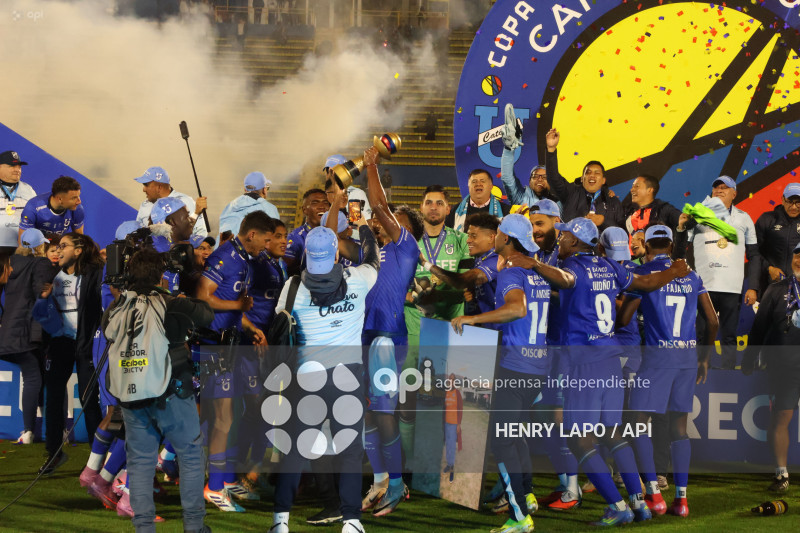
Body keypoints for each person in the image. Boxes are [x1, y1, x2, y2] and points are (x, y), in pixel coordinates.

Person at [509, 217, 690, 526]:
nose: (560, 240)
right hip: (611, 361)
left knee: (579, 441)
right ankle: (639, 503)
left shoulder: (573, 267)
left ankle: (618, 506)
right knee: (611, 432)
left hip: (585, 364)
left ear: (575, 241)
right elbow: (645, 284)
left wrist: (534, 265)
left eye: (564, 236)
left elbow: (565, 280)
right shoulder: (608, 266)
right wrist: (673, 271)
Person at [270, 218, 380, 533]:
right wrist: (364, 228)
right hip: (348, 378)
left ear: (307, 254)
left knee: (296, 451)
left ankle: (280, 522)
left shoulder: (293, 287)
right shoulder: (357, 279)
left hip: (308, 379)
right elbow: (373, 257)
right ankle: (352, 522)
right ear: (335, 254)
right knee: (349, 452)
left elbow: (281, 326)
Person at [102, 247, 214, 533]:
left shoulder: (118, 307)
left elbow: (106, 328)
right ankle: (194, 526)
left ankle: (143, 528)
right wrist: (184, 297)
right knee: (190, 455)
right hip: (172, 392)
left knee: (140, 462)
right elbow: (206, 314)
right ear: (161, 275)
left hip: (131, 395)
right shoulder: (169, 303)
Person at [451, 214, 547, 533]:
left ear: (504, 238)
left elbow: (517, 309)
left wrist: (472, 320)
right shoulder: (537, 272)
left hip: (515, 365)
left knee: (502, 441)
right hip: (537, 365)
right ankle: (526, 495)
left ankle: (519, 515)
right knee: (514, 434)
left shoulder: (511, 272)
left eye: (498, 234)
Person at [618, 225, 718, 518]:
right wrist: (704, 358)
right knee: (678, 429)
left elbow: (624, 319)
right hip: (687, 358)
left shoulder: (645, 273)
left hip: (657, 358)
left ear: (647, 246)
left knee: (637, 423)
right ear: (671, 246)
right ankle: (682, 501)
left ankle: (653, 494)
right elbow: (713, 321)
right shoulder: (691, 275)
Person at [348, 147, 419, 517]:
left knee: (384, 412)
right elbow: (336, 241)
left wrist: (371, 165)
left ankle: (395, 483)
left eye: (394, 220)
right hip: (364, 337)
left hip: (386, 340)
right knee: (366, 413)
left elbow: (378, 206)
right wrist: (337, 200)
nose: (383, 222)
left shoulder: (406, 247)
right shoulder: (372, 253)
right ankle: (379, 480)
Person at [195, 210, 272, 510]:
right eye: (265, 239)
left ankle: (224, 481)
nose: (266, 245)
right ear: (251, 234)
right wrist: (238, 306)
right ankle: (213, 487)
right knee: (221, 418)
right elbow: (203, 297)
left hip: (229, 345)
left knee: (228, 416)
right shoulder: (225, 257)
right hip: (213, 347)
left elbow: (236, 307)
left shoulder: (245, 260)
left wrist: (249, 327)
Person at [676, 176, 759, 369]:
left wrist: (753, 286)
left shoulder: (744, 218)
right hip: (704, 286)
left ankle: (728, 374)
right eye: (716, 188)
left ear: (734, 194)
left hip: (732, 287)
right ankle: (698, 371)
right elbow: (680, 248)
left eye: (724, 187)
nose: (719, 190)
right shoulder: (698, 216)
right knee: (702, 333)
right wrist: (680, 228)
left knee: (729, 335)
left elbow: (754, 254)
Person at [38, 233, 104, 475]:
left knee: (89, 401)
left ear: (78, 250)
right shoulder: (51, 276)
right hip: (60, 344)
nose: (58, 250)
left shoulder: (95, 273)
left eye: (63, 246)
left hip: (86, 344)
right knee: (53, 397)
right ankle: (54, 453)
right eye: (56, 247)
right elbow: (41, 311)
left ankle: (98, 459)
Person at [741, 242, 800, 493]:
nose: (799, 259)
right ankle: (781, 474)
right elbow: (759, 327)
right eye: (797, 254)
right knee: (781, 418)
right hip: (785, 366)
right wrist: (749, 358)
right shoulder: (777, 289)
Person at [0, 229, 57, 444]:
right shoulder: (40, 264)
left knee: (33, 376)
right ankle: (29, 431)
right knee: (34, 378)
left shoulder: (10, 264)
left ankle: (30, 430)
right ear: (39, 247)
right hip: (27, 330)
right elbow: (41, 292)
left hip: (10, 330)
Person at [543, 128, 625, 230]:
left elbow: (622, 232)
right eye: (588, 172)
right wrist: (551, 149)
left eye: (597, 173)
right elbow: (553, 178)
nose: (592, 175)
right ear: (582, 179)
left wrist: (603, 222)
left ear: (603, 180)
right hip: (571, 240)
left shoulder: (613, 202)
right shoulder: (570, 193)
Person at [423, 212, 502, 317]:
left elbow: (461, 281)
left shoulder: (496, 260)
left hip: (500, 326)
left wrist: (425, 263)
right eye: (468, 235)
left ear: (491, 238)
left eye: (473, 236)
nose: (468, 240)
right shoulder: (480, 259)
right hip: (484, 324)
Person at [133, 166, 208, 239]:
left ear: (159, 187)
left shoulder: (186, 201)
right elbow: (139, 234)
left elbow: (201, 233)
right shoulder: (145, 205)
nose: (143, 189)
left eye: (146, 185)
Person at [754, 182, 800, 289]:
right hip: (770, 285)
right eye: (790, 202)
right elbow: (753, 251)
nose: (794, 207)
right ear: (782, 200)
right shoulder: (767, 219)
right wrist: (769, 268)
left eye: (798, 202)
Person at [19, 176, 85, 242]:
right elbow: (23, 243)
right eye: (74, 198)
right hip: (37, 245)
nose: (79, 201)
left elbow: (79, 241)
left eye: (78, 196)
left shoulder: (77, 209)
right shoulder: (33, 207)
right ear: (60, 199)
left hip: (60, 245)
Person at [218, 171, 280, 241]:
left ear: (245, 189)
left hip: (224, 247)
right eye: (267, 188)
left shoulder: (229, 207)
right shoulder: (269, 208)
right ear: (264, 190)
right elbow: (274, 238)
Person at [446, 169, 511, 231]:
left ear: (491, 186)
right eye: (474, 181)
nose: (478, 184)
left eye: (482, 181)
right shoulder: (454, 211)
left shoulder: (506, 211)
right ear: (468, 186)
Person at [285, 188, 330, 274]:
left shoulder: (335, 235)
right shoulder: (295, 238)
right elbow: (287, 271)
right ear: (304, 210)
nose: (322, 206)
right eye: (315, 203)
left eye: (325, 202)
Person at [0, 150, 37, 250]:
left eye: (19, 167)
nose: (17, 170)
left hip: (21, 248)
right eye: (12, 166)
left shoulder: (28, 190)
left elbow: (35, 217)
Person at [323, 155, 373, 220]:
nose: (330, 175)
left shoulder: (354, 194)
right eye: (328, 171)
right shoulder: (321, 195)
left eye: (336, 172)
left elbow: (355, 222)